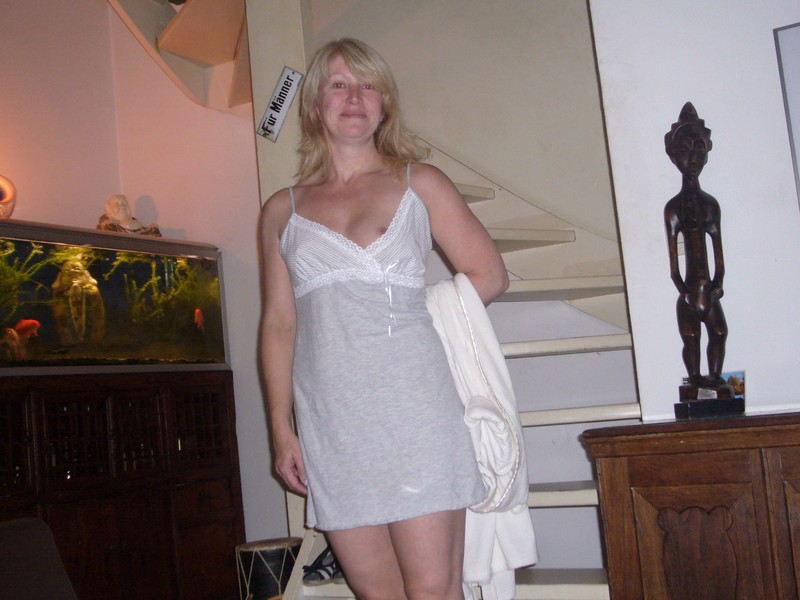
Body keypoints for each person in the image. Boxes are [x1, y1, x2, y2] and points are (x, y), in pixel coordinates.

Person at [258, 38, 508, 599]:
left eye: (368, 85)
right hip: (332, 425)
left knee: (433, 592)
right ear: (315, 103)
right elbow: (278, 324)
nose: (355, 96)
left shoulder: (421, 184)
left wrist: (418, 325)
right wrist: (281, 427)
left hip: (416, 414)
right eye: (339, 84)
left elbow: (489, 275)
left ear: (384, 104)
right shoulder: (281, 210)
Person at [664, 102, 728, 390]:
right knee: (691, 338)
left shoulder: (710, 205)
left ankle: (714, 379)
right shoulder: (673, 209)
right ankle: (695, 380)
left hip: (708, 292)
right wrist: (685, 292)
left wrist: (718, 284)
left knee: (720, 332)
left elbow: (718, 256)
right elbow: (673, 267)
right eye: (684, 150)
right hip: (689, 294)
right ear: (673, 154)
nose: (693, 158)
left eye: (699, 149)